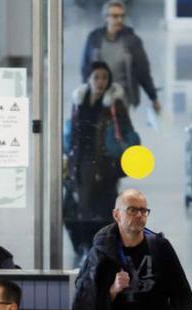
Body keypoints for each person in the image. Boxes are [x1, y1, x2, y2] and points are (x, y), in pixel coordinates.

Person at [65, 61, 135, 263]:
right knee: (81, 209)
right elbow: (72, 131)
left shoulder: (114, 104)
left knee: (104, 208)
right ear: (88, 79)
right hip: (81, 162)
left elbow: (125, 129)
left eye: (104, 77)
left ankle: (102, 249)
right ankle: (86, 247)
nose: (100, 81)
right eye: (96, 77)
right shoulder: (79, 101)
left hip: (106, 164)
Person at [81, 0, 160, 112]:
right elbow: (86, 68)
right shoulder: (94, 39)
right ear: (106, 18)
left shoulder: (132, 41)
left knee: (117, 128)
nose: (119, 20)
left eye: (122, 16)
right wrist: (86, 92)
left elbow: (143, 72)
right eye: (115, 16)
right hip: (98, 94)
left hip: (122, 97)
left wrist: (153, 98)